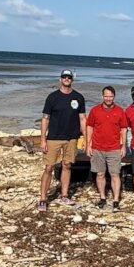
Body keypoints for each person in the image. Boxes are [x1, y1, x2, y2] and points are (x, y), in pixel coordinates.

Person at [38, 69, 86, 212]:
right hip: (53, 138)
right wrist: (43, 139)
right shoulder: (52, 97)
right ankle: (42, 198)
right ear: (60, 79)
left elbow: (83, 118)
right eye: (64, 77)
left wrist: (86, 138)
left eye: (69, 77)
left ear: (72, 80)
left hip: (71, 138)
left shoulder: (78, 97)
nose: (66, 79)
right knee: (48, 167)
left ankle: (64, 195)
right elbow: (45, 119)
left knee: (67, 165)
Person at [85, 86, 128, 210]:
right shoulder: (95, 110)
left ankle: (115, 201)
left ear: (114, 97)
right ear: (102, 96)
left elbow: (124, 129)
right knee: (100, 174)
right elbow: (89, 127)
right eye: (106, 96)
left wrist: (123, 145)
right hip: (97, 147)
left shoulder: (120, 111)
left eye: (110, 96)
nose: (108, 98)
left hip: (114, 148)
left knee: (115, 174)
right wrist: (88, 145)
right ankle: (103, 198)